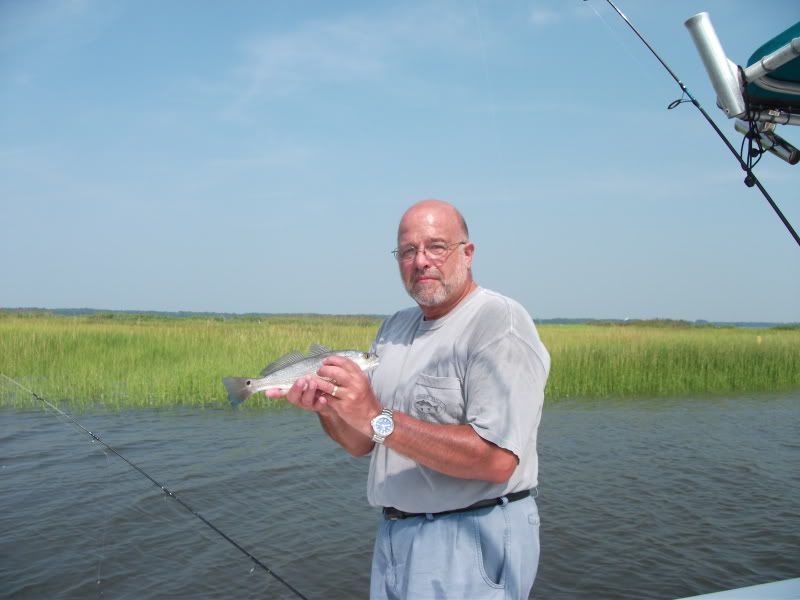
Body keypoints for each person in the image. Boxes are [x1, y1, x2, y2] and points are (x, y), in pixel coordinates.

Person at [267, 199, 550, 599]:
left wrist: (375, 416)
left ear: (467, 254)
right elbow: (361, 442)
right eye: (407, 251)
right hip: (395, 536)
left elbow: (497, 460)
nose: (421, 261)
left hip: (470, 535)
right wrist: (329, 408)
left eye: (437, 246)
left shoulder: (498, 323)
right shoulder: (394, 327)